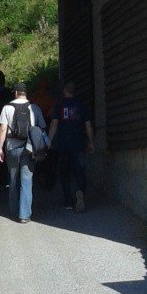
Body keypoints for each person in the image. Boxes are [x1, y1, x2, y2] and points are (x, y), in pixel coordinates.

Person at [0, 81, 46, 223]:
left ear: (16, 93)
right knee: (27, 180)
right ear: (26, 93)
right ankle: (24, 215)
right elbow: (42, 128)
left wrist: (0, 148)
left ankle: (13, 210)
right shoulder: (34, 108)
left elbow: (2, 129)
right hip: (30, 148)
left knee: (12, 179)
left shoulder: (7, 108)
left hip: (12, 147)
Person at [49, 80, 94, 213]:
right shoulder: (81, 105)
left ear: (64, 91)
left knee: (64, 172)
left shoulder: (59, 104)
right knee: (79, 171)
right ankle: (80, 192)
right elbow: (88, 125)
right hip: (79, 142)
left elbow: (54, 124)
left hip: (63, 143)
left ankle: (68, 201)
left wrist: (49, 141)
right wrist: (91, 141)